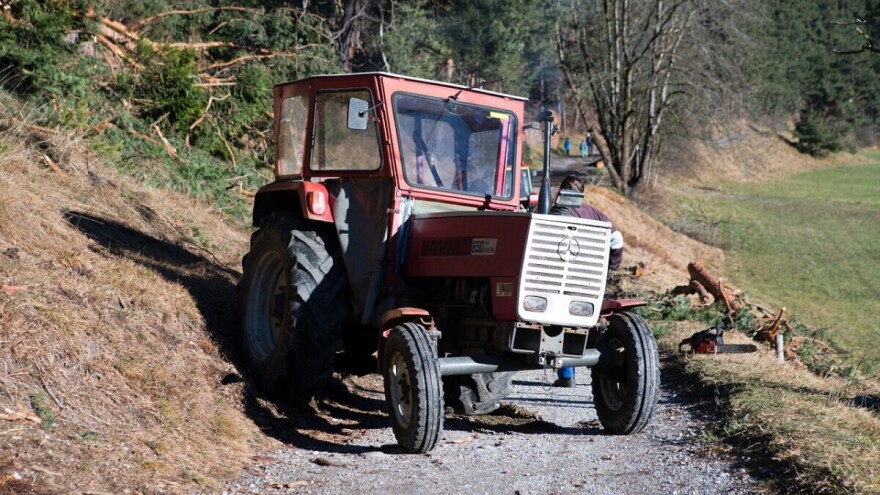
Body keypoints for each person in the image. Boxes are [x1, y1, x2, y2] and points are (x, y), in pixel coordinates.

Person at [550, 175, 624, 388]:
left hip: (561, 277)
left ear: (561, 191)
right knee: (584, 320)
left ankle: (566, 374)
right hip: (590, 278)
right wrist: (611, 267)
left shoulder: (554, 213)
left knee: (561, 322)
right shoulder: (595, 214)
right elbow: (617, 240)